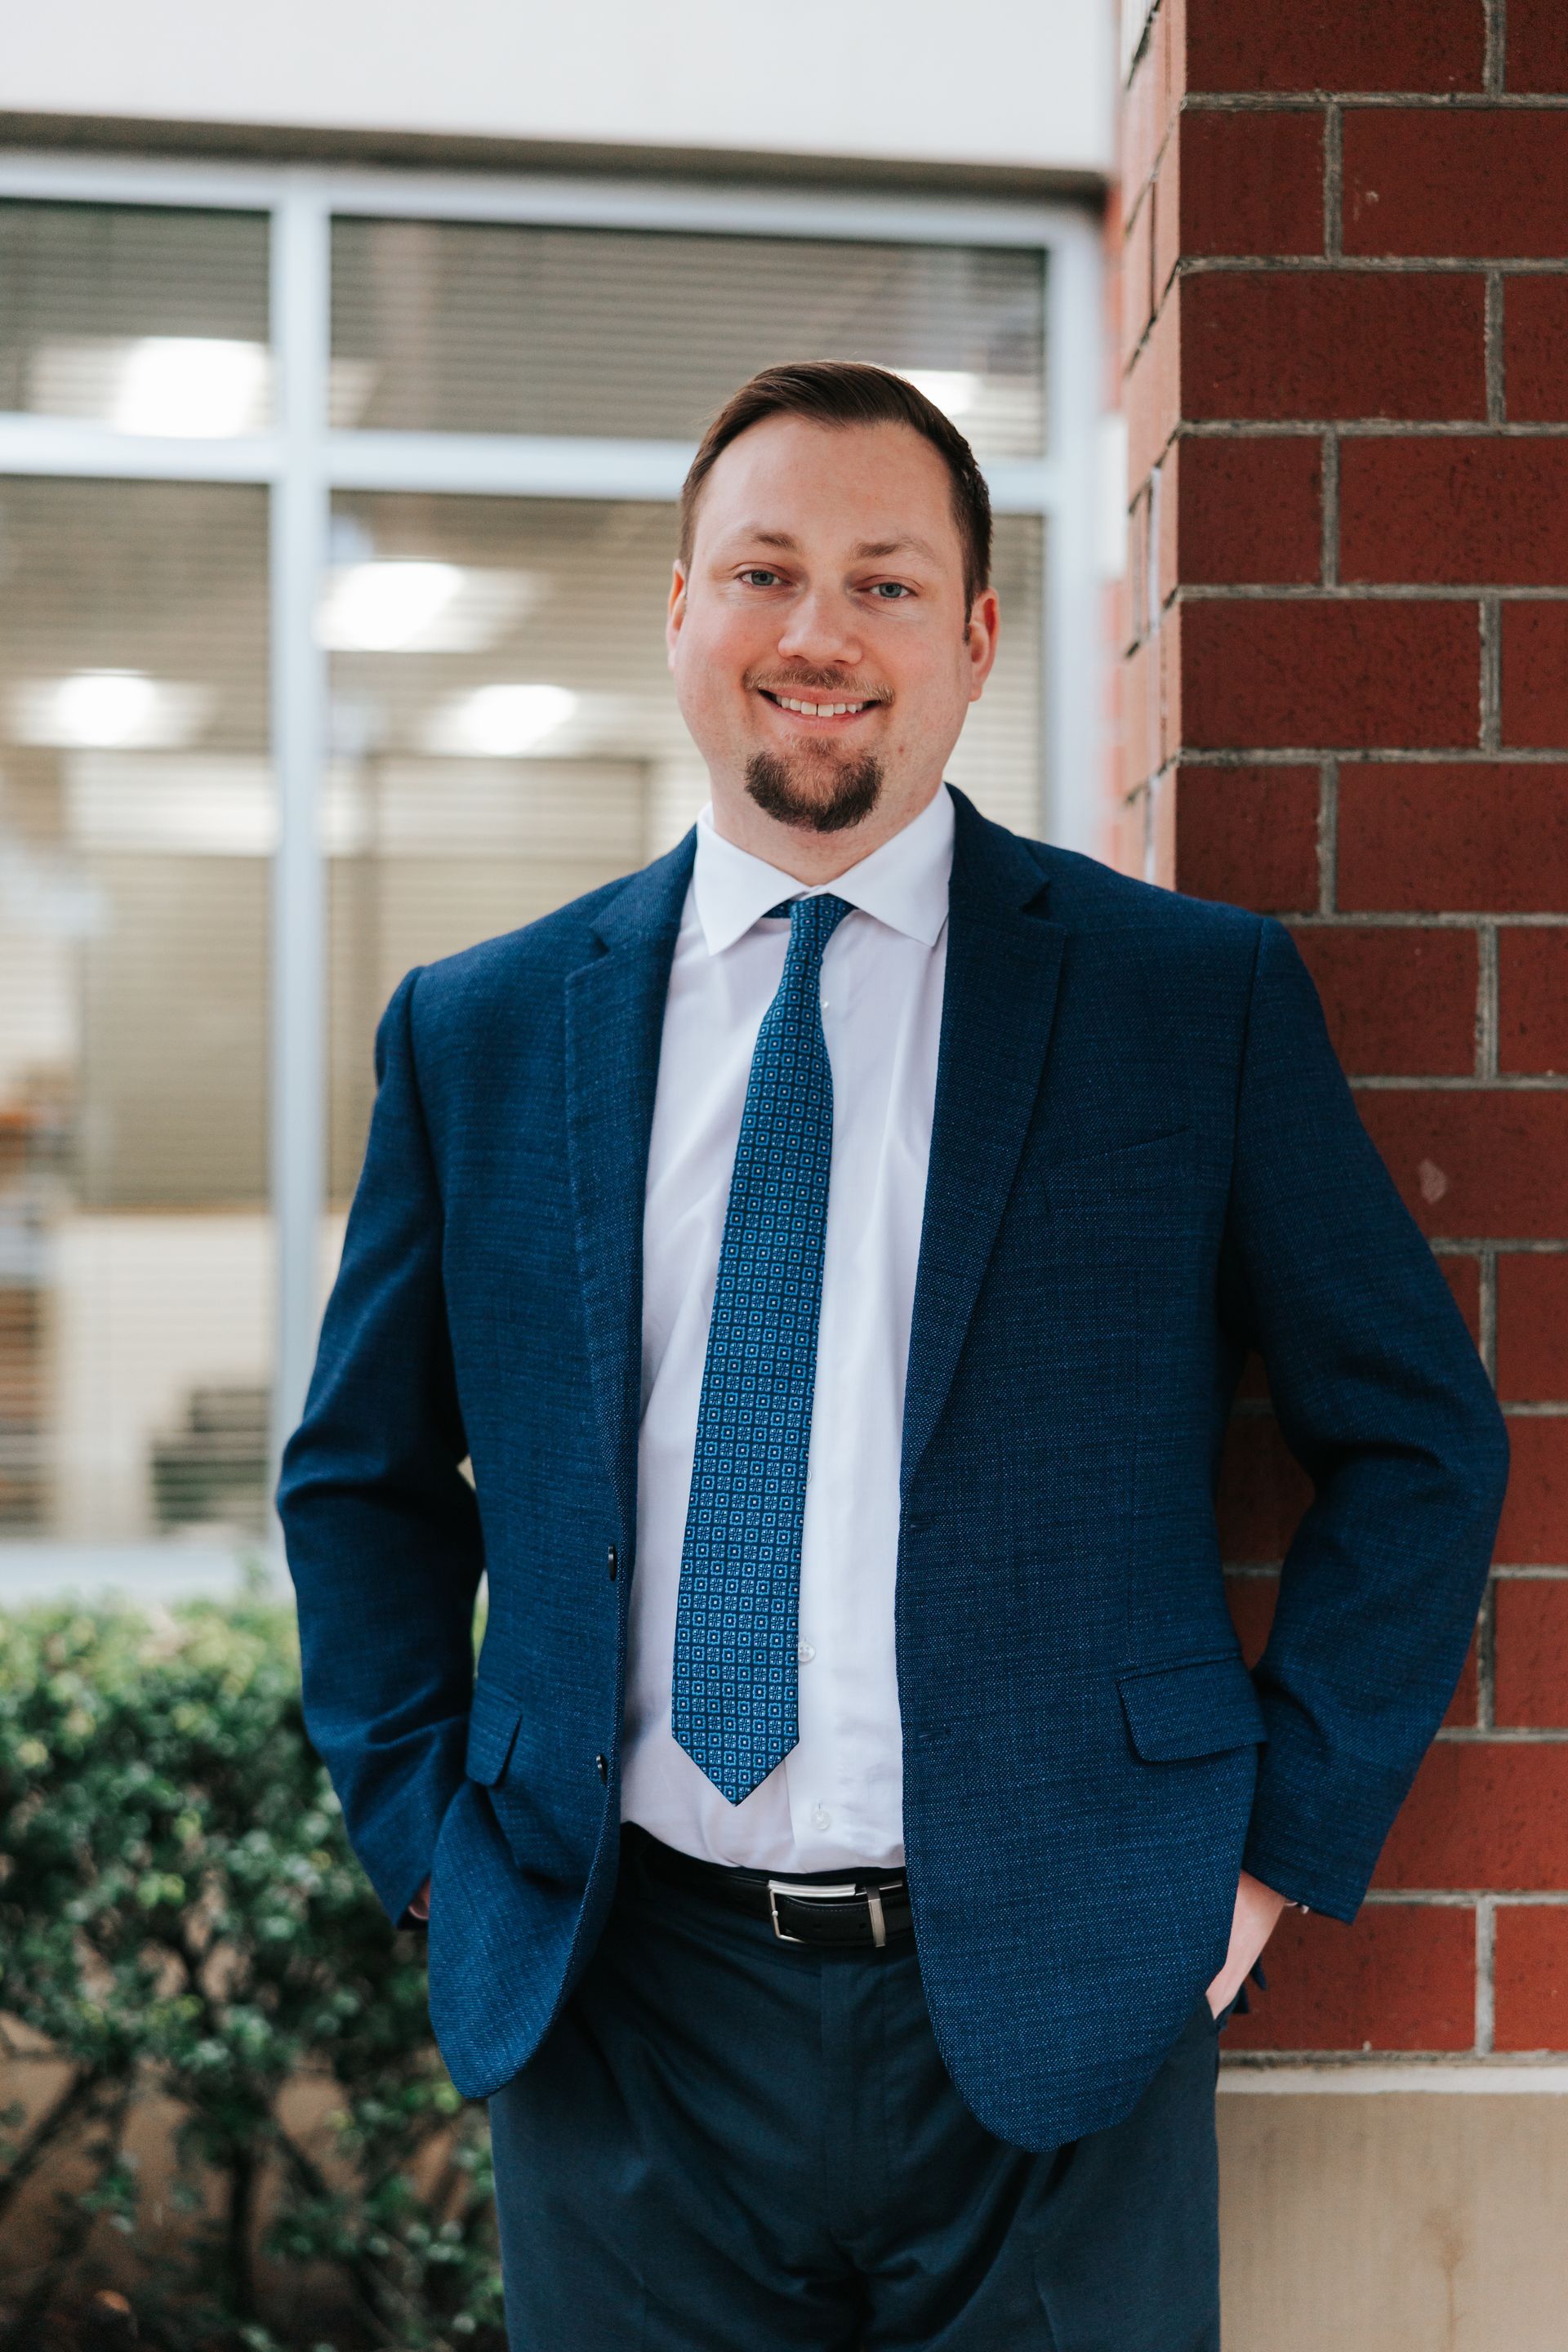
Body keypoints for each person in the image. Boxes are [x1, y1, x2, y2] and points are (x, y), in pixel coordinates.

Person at [278, 360, 1509, 2350]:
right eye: (763, 572)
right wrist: (436, 1855)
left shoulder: (1185, 1007)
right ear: (677, 608)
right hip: (627, 2008)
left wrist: (1268, 1862)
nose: (817, 634)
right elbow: (358, 1480)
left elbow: (1421, 1444)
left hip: (1062, 2001)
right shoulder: (481, 1035)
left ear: (978, 634)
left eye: (886, 581)